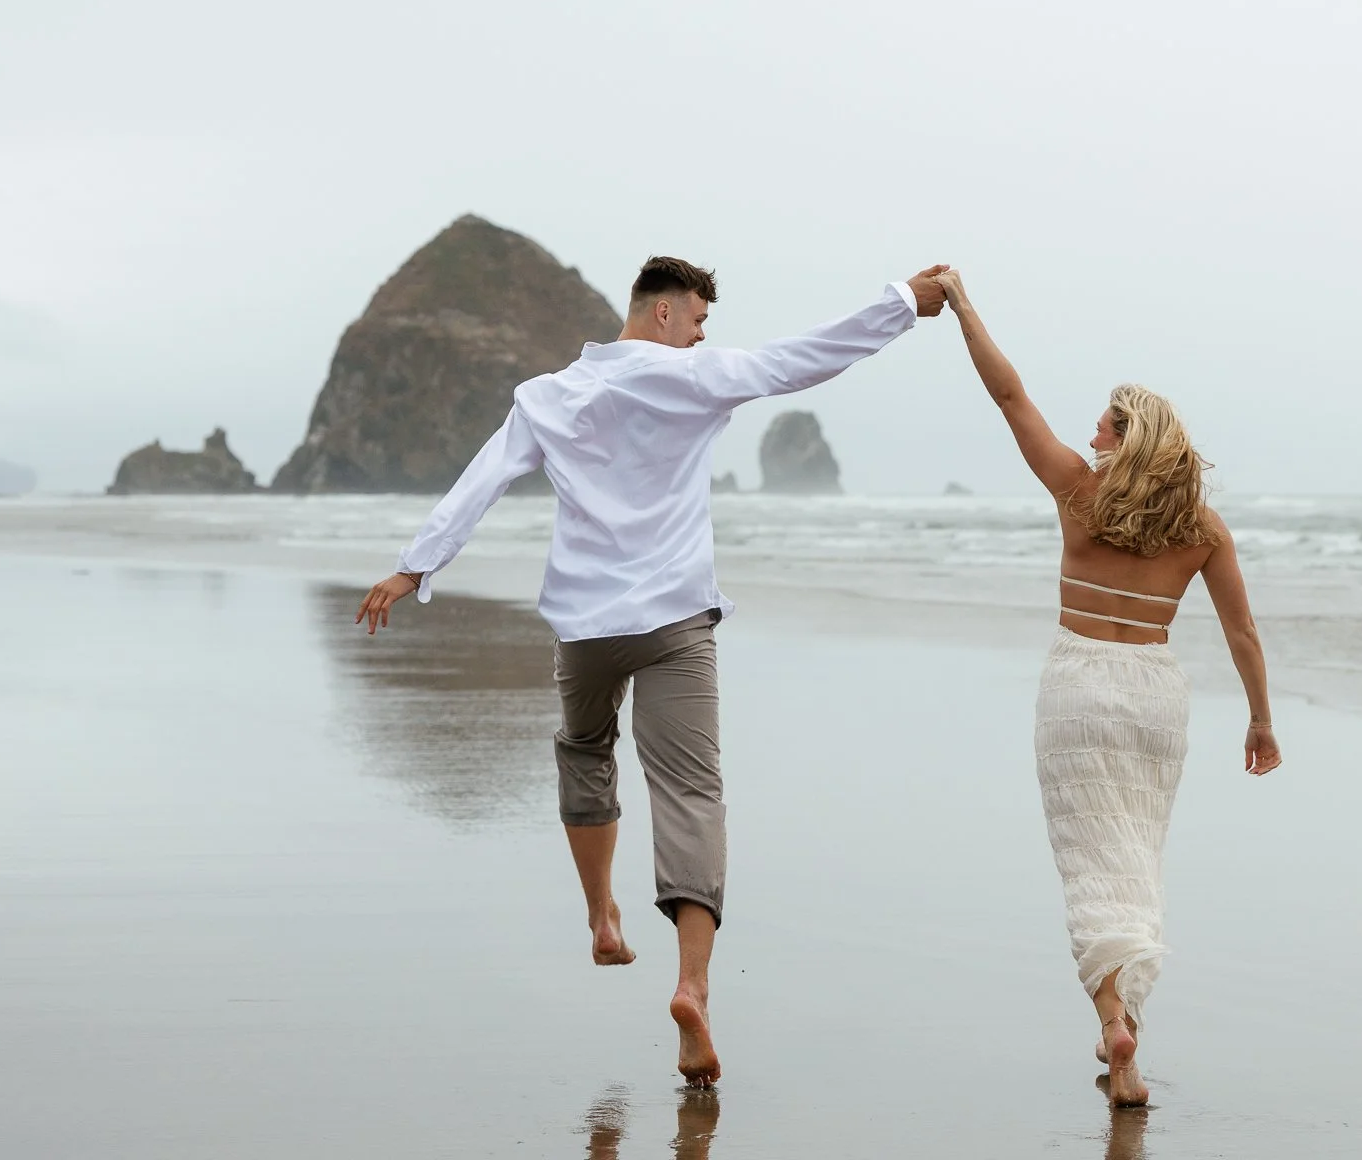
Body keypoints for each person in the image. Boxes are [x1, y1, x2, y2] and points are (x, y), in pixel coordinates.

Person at [355, 255, 950, 1085]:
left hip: (587, 628)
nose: (705, 336)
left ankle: (602, 915)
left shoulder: (548, 395)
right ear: (665, 314)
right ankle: (692, 987)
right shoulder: (694, 377)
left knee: (585, 753)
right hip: (674, 620)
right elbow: (801, 358)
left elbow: (480, 483)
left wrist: (414, 568)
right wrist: (900, 304)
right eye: (700, 321)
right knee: (692, 792)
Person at [936, 269, 1281, 1107]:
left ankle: (1114, 1020)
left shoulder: (1077, 495)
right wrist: (1261, 721)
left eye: (1102, 423)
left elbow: (1009, 395)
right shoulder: (1201, 527)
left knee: (1087, 862)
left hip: (1079, 688)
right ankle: (1125, 1025)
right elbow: (1242, 632)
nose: (1089, 432)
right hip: (1156, 696)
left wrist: (964, 308)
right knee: (1135, 859)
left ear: (1127, 436)